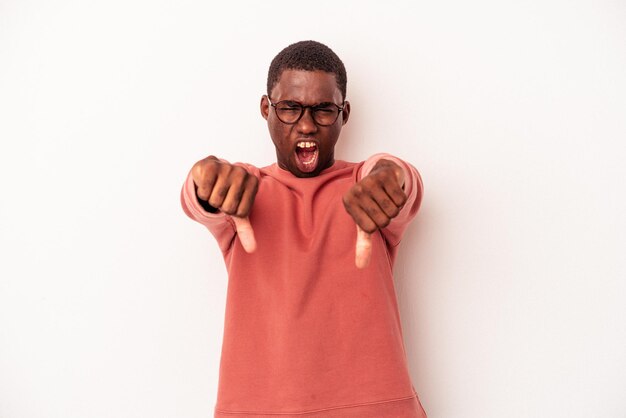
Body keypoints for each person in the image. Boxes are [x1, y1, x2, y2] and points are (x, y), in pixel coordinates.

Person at [181, 40, 427, 418]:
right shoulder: (247, 189)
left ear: (344, 113)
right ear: (267, 109)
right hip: (258, 410)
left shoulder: (363, 187)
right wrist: (205, 179)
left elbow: (398, 181)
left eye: (324, 110)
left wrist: (390, 175)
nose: (307, 124)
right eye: (290, 108)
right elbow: (205, 196)